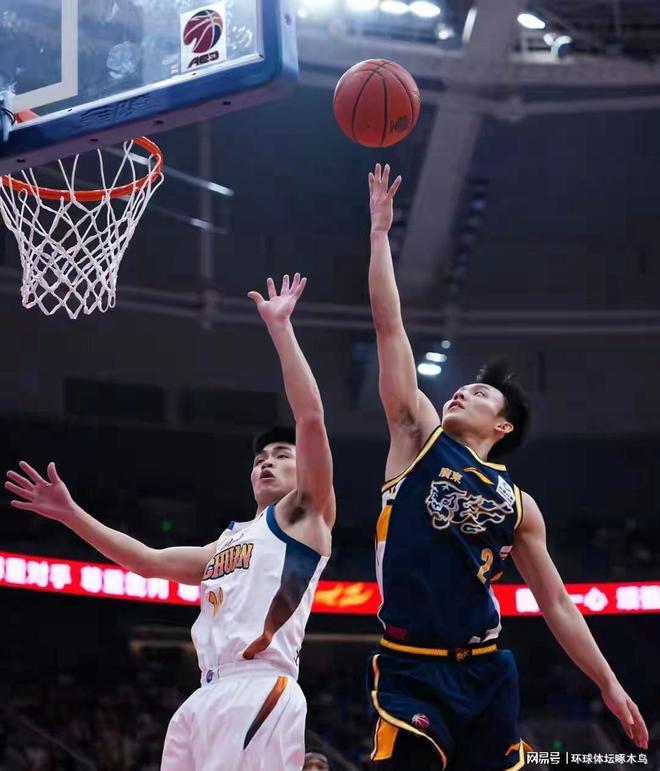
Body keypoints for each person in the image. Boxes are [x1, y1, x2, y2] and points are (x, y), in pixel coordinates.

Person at [365, 164, 649, 770]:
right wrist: (380, 234)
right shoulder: (418, 438)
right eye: (462, 387)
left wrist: (608, 682)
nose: (462, 392)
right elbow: (390, 329)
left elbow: (558, 604)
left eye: (480, 394)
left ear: (504, 427)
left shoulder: (520, 506)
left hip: (487, 669)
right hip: (411, 668)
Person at [5, 273, 335, 771]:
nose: (266, 462)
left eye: (281, 455)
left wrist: (280, 328)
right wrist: (72, 515)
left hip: (259, 686)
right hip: (204, 695)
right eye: (258, 459)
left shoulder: (305, 515)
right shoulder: (226, 543)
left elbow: (310, 417)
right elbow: (146, 561)